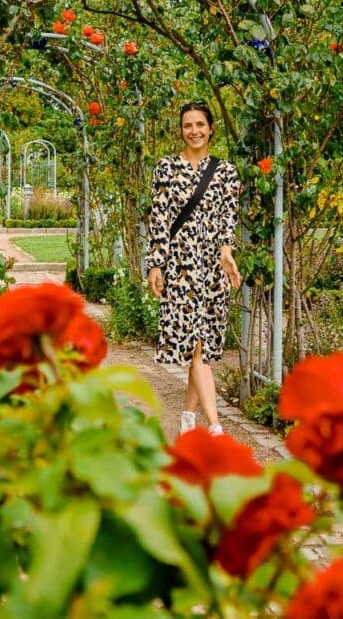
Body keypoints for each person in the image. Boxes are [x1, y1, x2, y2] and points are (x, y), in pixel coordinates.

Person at [146, 100, 241, 436]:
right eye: (188, 125)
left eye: (200, 124)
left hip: (212, 265)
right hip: (181, 264)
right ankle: (215, 425)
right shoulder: (166, 168)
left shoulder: (226, 171)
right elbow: (158, 219)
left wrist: (227, 254)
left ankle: (188, 416)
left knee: (201, 344)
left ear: (211, 128)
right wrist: (156, 264)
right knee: (196, 345)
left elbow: (229, 218)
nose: (195, 131)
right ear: (181, 130)